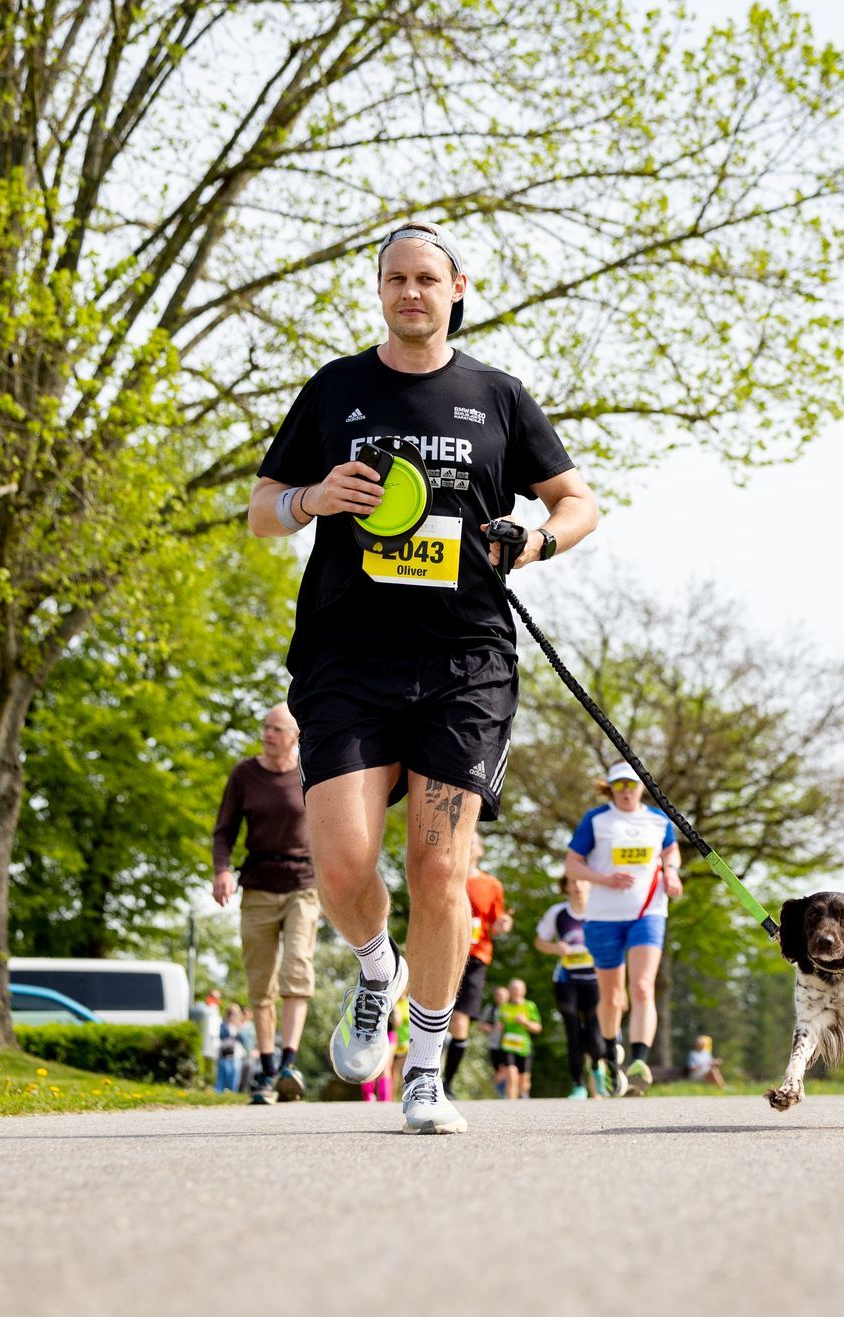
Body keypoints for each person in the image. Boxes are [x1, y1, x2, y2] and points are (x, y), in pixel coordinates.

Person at [248, 220, 599, 1135]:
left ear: (457, 288)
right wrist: (313, 499)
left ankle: (427, 1067)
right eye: (395, 279)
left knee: (443, 866)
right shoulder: (337, 390)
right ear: (380, 292)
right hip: (346, 658)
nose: (411, 292)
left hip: (465, 660)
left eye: (427, 279)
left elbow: (579, 501)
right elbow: (260, 510)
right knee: (342, 863)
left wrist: (538, 538)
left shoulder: (496, 395)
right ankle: (377, 971)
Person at [212, 704, 318, 1105]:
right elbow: (224, 831)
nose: (268, 734)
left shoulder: (310, 771)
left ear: (296, 736)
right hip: (257, 887)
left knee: (296, 968)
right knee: (260, 983)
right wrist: (222, 871)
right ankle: (268, 1070)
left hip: (303, 885)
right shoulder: (244, 773)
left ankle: (289, 1063)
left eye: (277, 729)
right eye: (266, 728)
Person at [565, 760, 682, 1097]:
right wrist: (604, 878)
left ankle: (639, 1059)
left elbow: (671, 853)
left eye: (631, 785)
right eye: (619, 785)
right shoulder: (596, 820)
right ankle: (610, 1053)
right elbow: (572, 863)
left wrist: (671, 872)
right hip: (603, 916)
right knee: (613, 996)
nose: (626, 791)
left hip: (648, 912)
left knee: (643, 986)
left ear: (642, 786)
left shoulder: (658, 820)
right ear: (611, 788)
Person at [444, 834, 512, 1095]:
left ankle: (447, 1083)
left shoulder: (491, 885)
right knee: (437, 1014)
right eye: (465, 839)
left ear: (480, 850)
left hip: (476, 956)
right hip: (445, 951)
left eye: (473, 841)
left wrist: (503, 925)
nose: (468, 844)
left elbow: (495, 923)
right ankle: (425, 1073)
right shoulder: (446, 875)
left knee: (460, 1021)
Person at [534, 878, 601, 1098]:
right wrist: (555, 948)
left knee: (594, 1033)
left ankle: (597, 1067)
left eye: (584, 880)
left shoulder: (601, 909)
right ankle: (578, 1085)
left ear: (591, 884)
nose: (580, 885)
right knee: (573, 1032)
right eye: (574, 881)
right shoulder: (558, 912)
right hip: (566, 981)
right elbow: (539, 942)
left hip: (595, 980)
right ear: (567, 886)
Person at [497, 977, 542, 1100]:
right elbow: (499, 1024)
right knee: (511, 1075)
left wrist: (526, 1022)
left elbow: (538, 1028)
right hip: (507, 1046)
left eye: (517, 989)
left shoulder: (529, 1006)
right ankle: (511, 1105)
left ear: (524, 991)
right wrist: (499, 1027)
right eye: (512, 989)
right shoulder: (504, 1007)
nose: (515, 991)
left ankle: (523, 1096)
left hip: (524, 1047)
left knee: (523, 1080)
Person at [481, 984, 509, 1098]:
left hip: (509, 1045)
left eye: (502, 995)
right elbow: (481, 1023)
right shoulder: (490, 1009)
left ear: (508, 996)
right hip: (494, 1044)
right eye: (497, 995)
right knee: (497, 1069)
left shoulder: (511, 1008)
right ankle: (500, 1094)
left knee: (507, 1069)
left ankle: (511, 1093)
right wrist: (485, 1027)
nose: (499, 997)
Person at [215, 1004, 246, 1094]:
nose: (232, 1015)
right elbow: (221, 1036)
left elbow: (242, 1039)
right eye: (230, 1013)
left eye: (234, 1013)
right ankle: (219, 1092)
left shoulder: (240, 1026)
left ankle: (233, 1093)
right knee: (222, 1075)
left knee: (234, 1075)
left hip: (235, 1054)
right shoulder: (223, 1025)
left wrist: (239, 1028)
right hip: (224, 1053)